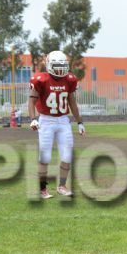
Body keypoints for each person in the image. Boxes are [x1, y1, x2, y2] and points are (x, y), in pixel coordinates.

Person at [28, 50, 86, 199]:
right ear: (49, 65)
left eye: (62, 65)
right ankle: (42, 189)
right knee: (45, 156)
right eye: (56, 66)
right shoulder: (40, 79)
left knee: (67, 155)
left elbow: (72, 102)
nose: (60, 69)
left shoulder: (70, 79)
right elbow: (32, 101)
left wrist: (79, 122)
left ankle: (62, 186)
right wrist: (33, 118)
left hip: (63, 120)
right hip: (46, 120)